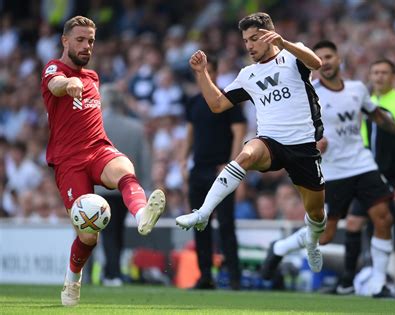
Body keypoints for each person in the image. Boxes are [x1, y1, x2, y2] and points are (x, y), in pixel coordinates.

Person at [259, 40, 395, 297]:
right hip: (334, 170)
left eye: (329, 56)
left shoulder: (357, 89)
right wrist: (314, 141)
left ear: (339, 60)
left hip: (362, 164)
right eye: (320, 58)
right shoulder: (308, 91)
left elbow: (379, 118)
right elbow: (293, 127)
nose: (325, 61)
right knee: (324, 236)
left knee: (384, 217)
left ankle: (378, 283)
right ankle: (280, 247)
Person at [176, 12, 328, 274]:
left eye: (255, 39)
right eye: (246, 40)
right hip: (270, 141)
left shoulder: (293, 55)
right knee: (246, 154)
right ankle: (202, 213)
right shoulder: (247, 75)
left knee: (316, 215)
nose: (249, 45)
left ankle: (310, 240)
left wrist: (284, 43)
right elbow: (217, 104)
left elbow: (316, 63)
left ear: (270, 35)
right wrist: (201, 73)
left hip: (303, 146)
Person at [40, 16, 166, 306]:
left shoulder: (93, 77)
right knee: (88, 237)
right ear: (65, 41)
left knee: (124, 169)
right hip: (69, 161)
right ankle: (72, 279)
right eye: (81, 40)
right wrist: (67, 83)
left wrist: (77, 81)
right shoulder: (53, 69)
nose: (87, 46)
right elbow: (56, 84)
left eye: (91, 41)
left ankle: (142, 214)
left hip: (98, 149)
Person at [338, 59, 395, 296]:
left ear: (393, 76)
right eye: (375, 72)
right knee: (354, 222)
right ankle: (347, 280)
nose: (379, 77)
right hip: (368, 176)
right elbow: (361, 137)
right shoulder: (367, 104)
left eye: (384, 72)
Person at [180, 56, 246, 290]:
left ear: (215, 73)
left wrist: (232, 164)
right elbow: (190, 133)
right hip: (199, 169)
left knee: (226, 225)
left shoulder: (228, 101)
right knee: (200, 224)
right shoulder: (194, 102)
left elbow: (239, 132)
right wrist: (183, 162)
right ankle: (205, 275)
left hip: (221, 169)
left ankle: (234, 277)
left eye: (207, 72)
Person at [96, 84, 153, 287]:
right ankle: (112, 271)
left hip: (100, 188)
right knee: (117, 230)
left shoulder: (96, 124)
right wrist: (146, 187)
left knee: (107, 232)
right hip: (126, 188)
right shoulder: (135, 128)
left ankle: (112, 273)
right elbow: (145, 160)